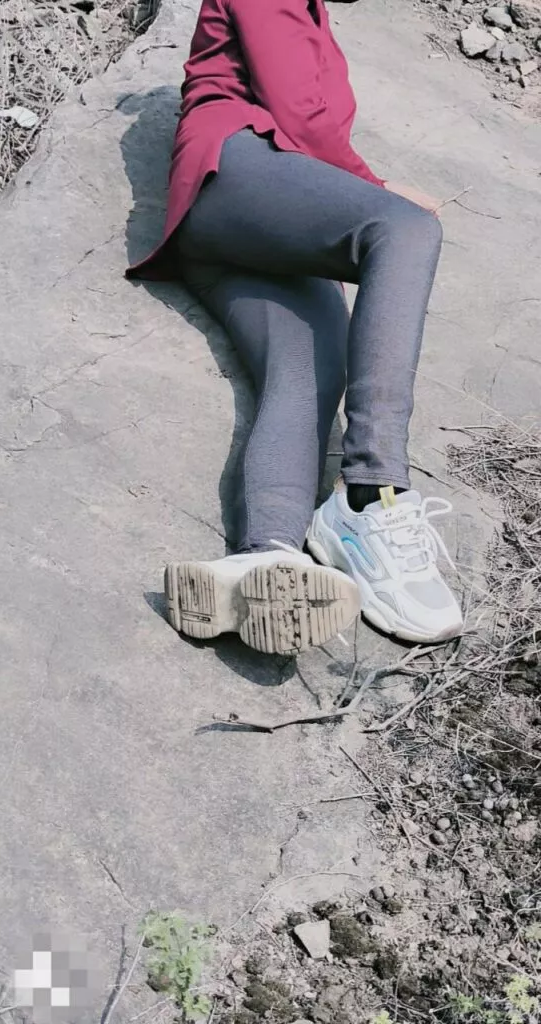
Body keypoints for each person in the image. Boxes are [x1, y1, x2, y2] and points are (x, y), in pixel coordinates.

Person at [127, 0, 463, 655]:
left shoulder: (316, 18)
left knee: (309, 371)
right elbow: (299, 114)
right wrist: (378, 187)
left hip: (253, 235)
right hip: (234, 174)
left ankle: (268, 552)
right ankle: (373, 493)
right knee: (406, 229)